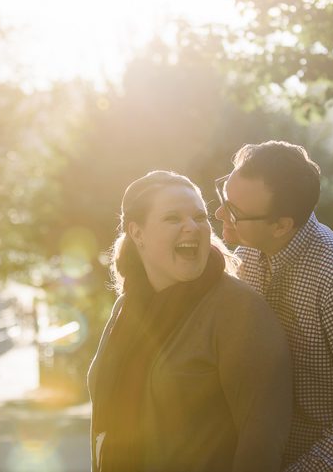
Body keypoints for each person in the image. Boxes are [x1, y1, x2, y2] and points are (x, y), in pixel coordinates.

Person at [88, 170, 293, 472]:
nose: (192, 227)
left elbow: (261, 443)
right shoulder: (127, 307)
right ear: (137, 233)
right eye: (173, 218)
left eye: (200, 217)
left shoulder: (239, 311)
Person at [214, 141, 333, 472]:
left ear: (281, 226)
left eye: (233, 211)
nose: (219, 214)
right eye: (223, 196)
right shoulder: (247, 255)